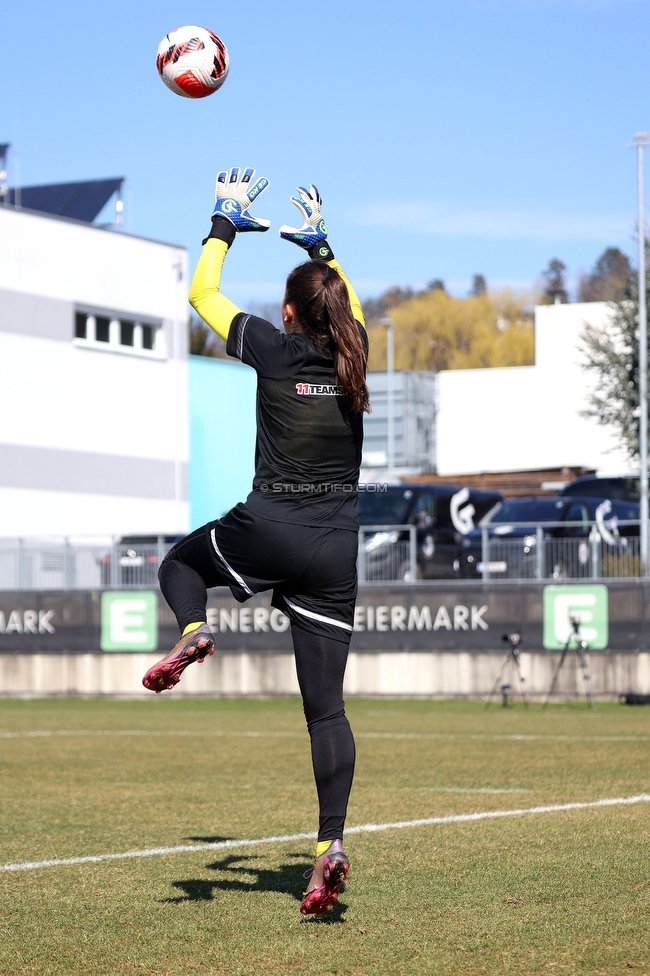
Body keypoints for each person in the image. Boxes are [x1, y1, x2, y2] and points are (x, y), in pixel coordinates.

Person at [142, 167, 369, 917]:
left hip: (270, 523)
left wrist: (223, 222)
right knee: (326, 712)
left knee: (180, 563)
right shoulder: (356, 355)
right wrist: (325, 248)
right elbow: (349, 308)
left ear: (290, 313)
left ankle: (197, 630)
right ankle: (328, 846)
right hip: (336, 545)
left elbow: (202, 296)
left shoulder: (274, 349)